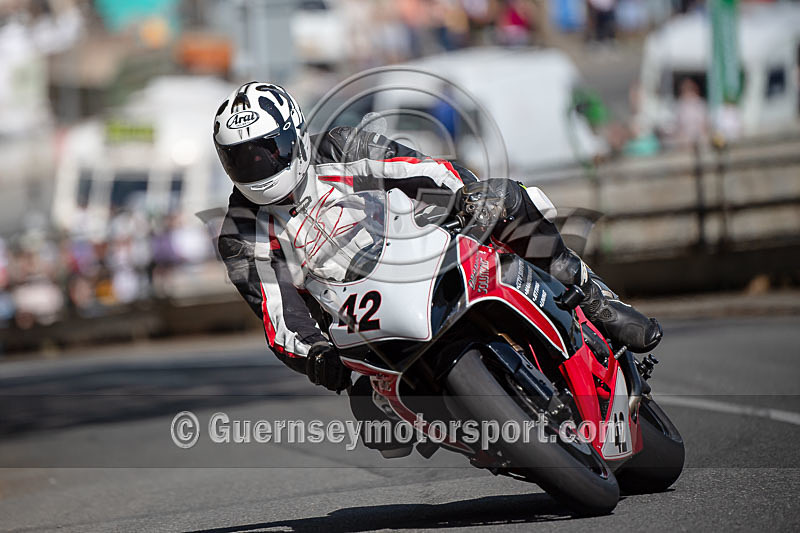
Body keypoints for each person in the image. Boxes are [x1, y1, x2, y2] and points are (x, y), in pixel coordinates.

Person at [213, 82, 662, 397]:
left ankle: (593, 297)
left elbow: (421, 170)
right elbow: (280, 316)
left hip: (421, 249)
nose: (258, 167)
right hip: (362, 325)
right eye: (242, 160)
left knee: (502, 198)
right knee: (374, 418)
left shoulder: (340, 148)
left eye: (266, 151)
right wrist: (316, 357)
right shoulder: (240, 232)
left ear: (293, 135)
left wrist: (462, 199)